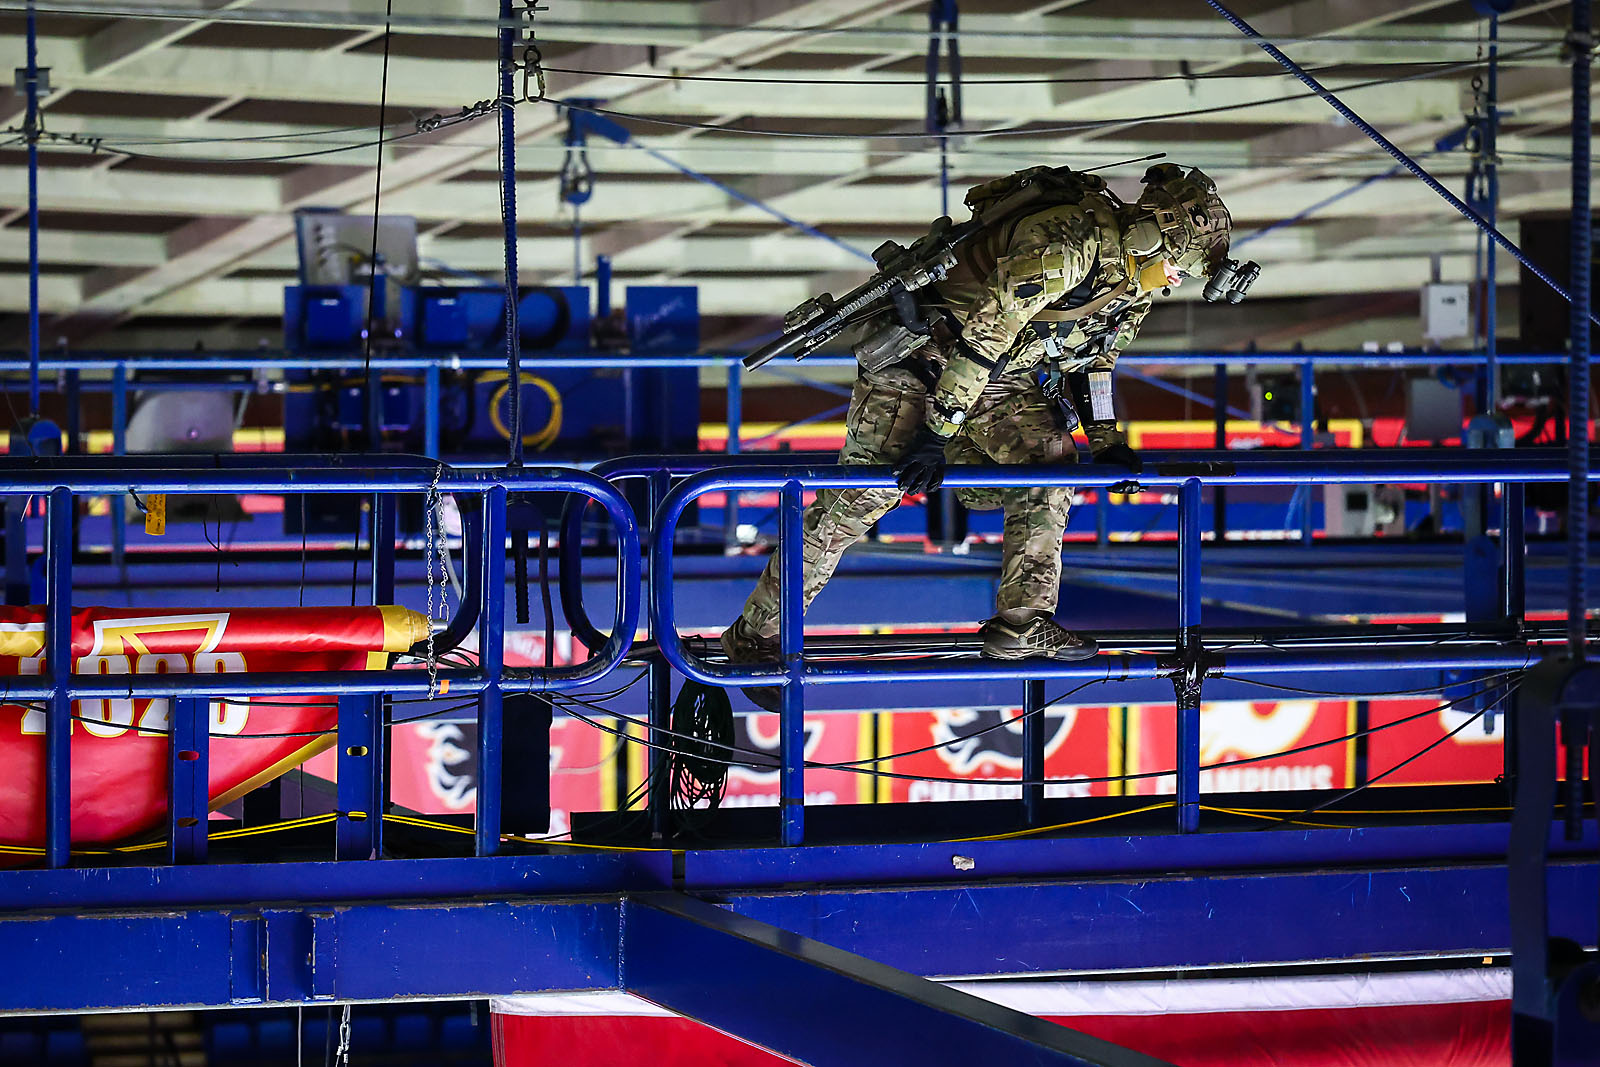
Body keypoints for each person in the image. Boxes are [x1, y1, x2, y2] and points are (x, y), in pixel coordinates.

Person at [722, 163, 1234, 710]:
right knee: (859, 500)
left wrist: (1106, 438)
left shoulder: (1133, 281)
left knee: (1051, 463)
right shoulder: (1067, 243)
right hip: (919, 358)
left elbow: (1097, 358)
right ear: (1152, 236)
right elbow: (986, 333)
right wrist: (937, 433)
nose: (1177, 280)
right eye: (1179, 267)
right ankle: (753, 636)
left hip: (996, 377)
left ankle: (1022, 622)